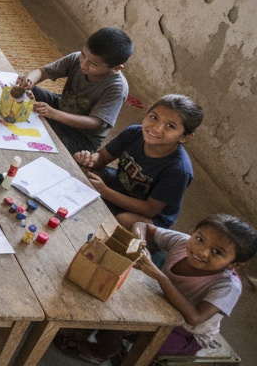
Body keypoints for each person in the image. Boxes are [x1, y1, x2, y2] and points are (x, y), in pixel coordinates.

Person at [60, 214, 255, 361]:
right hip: (161, 300)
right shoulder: (183, 242)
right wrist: (141, 244)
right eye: (200, 239)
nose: (201, 251)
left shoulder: (228, 286)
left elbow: (194, 318)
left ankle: (102, 352)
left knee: (126, 325)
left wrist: (159, 276)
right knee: (114, 297)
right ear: (194, 232)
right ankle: (98, 334)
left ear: (235, 265)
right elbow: (142, 226)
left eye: (217, 252)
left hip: (186, 332)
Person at [74, 94, 200, 230]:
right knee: (83, 171)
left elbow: (149, 209)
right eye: (154, 117)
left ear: (185, 137)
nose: (156, 128)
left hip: (150, 215)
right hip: (121, 185)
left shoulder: (178, 170)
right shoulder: (134, 133)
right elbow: (102, 157)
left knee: (124, 221)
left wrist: (105, 191)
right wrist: (89, 159)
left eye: (170, 126)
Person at [14, 27, 132, 156]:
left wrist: (52, 113)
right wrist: (29, 80)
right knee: (22, 90)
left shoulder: (117, 88)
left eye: (93, 64)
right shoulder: (77, 58)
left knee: (44, 142)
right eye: (83, 55)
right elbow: (43, 72)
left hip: (81, 136)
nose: (84, 64)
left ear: (116, 68)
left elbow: (95, 122)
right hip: (61, 106)